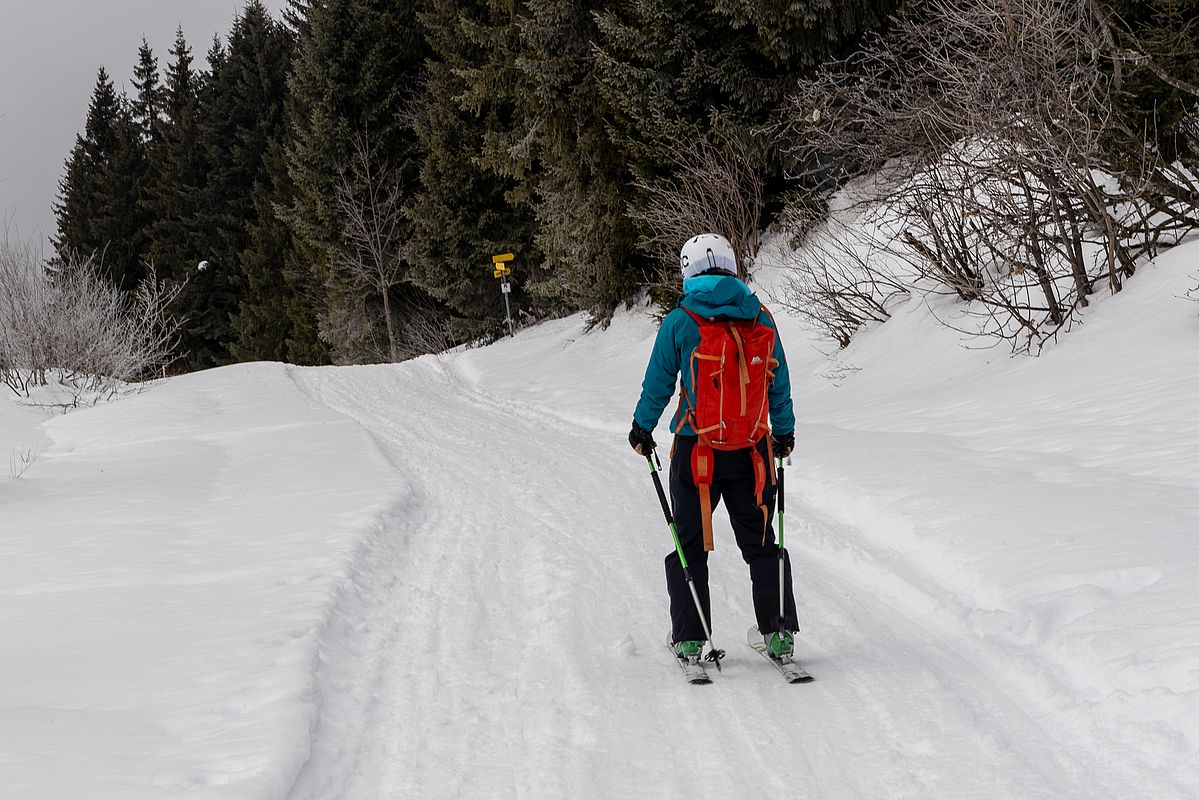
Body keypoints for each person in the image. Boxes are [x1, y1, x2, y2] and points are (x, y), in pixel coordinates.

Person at [629, 232, 799, 662]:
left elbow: (659, 382)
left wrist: (641, 427)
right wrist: (784, 431)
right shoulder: (760, 316)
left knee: (689, 542)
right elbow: (777, 380)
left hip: (696, 450)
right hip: (752, 451)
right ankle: (778, 636)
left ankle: (689, 638)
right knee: (762, 543)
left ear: (687, 272)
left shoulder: (681, 320)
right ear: (732, 267)